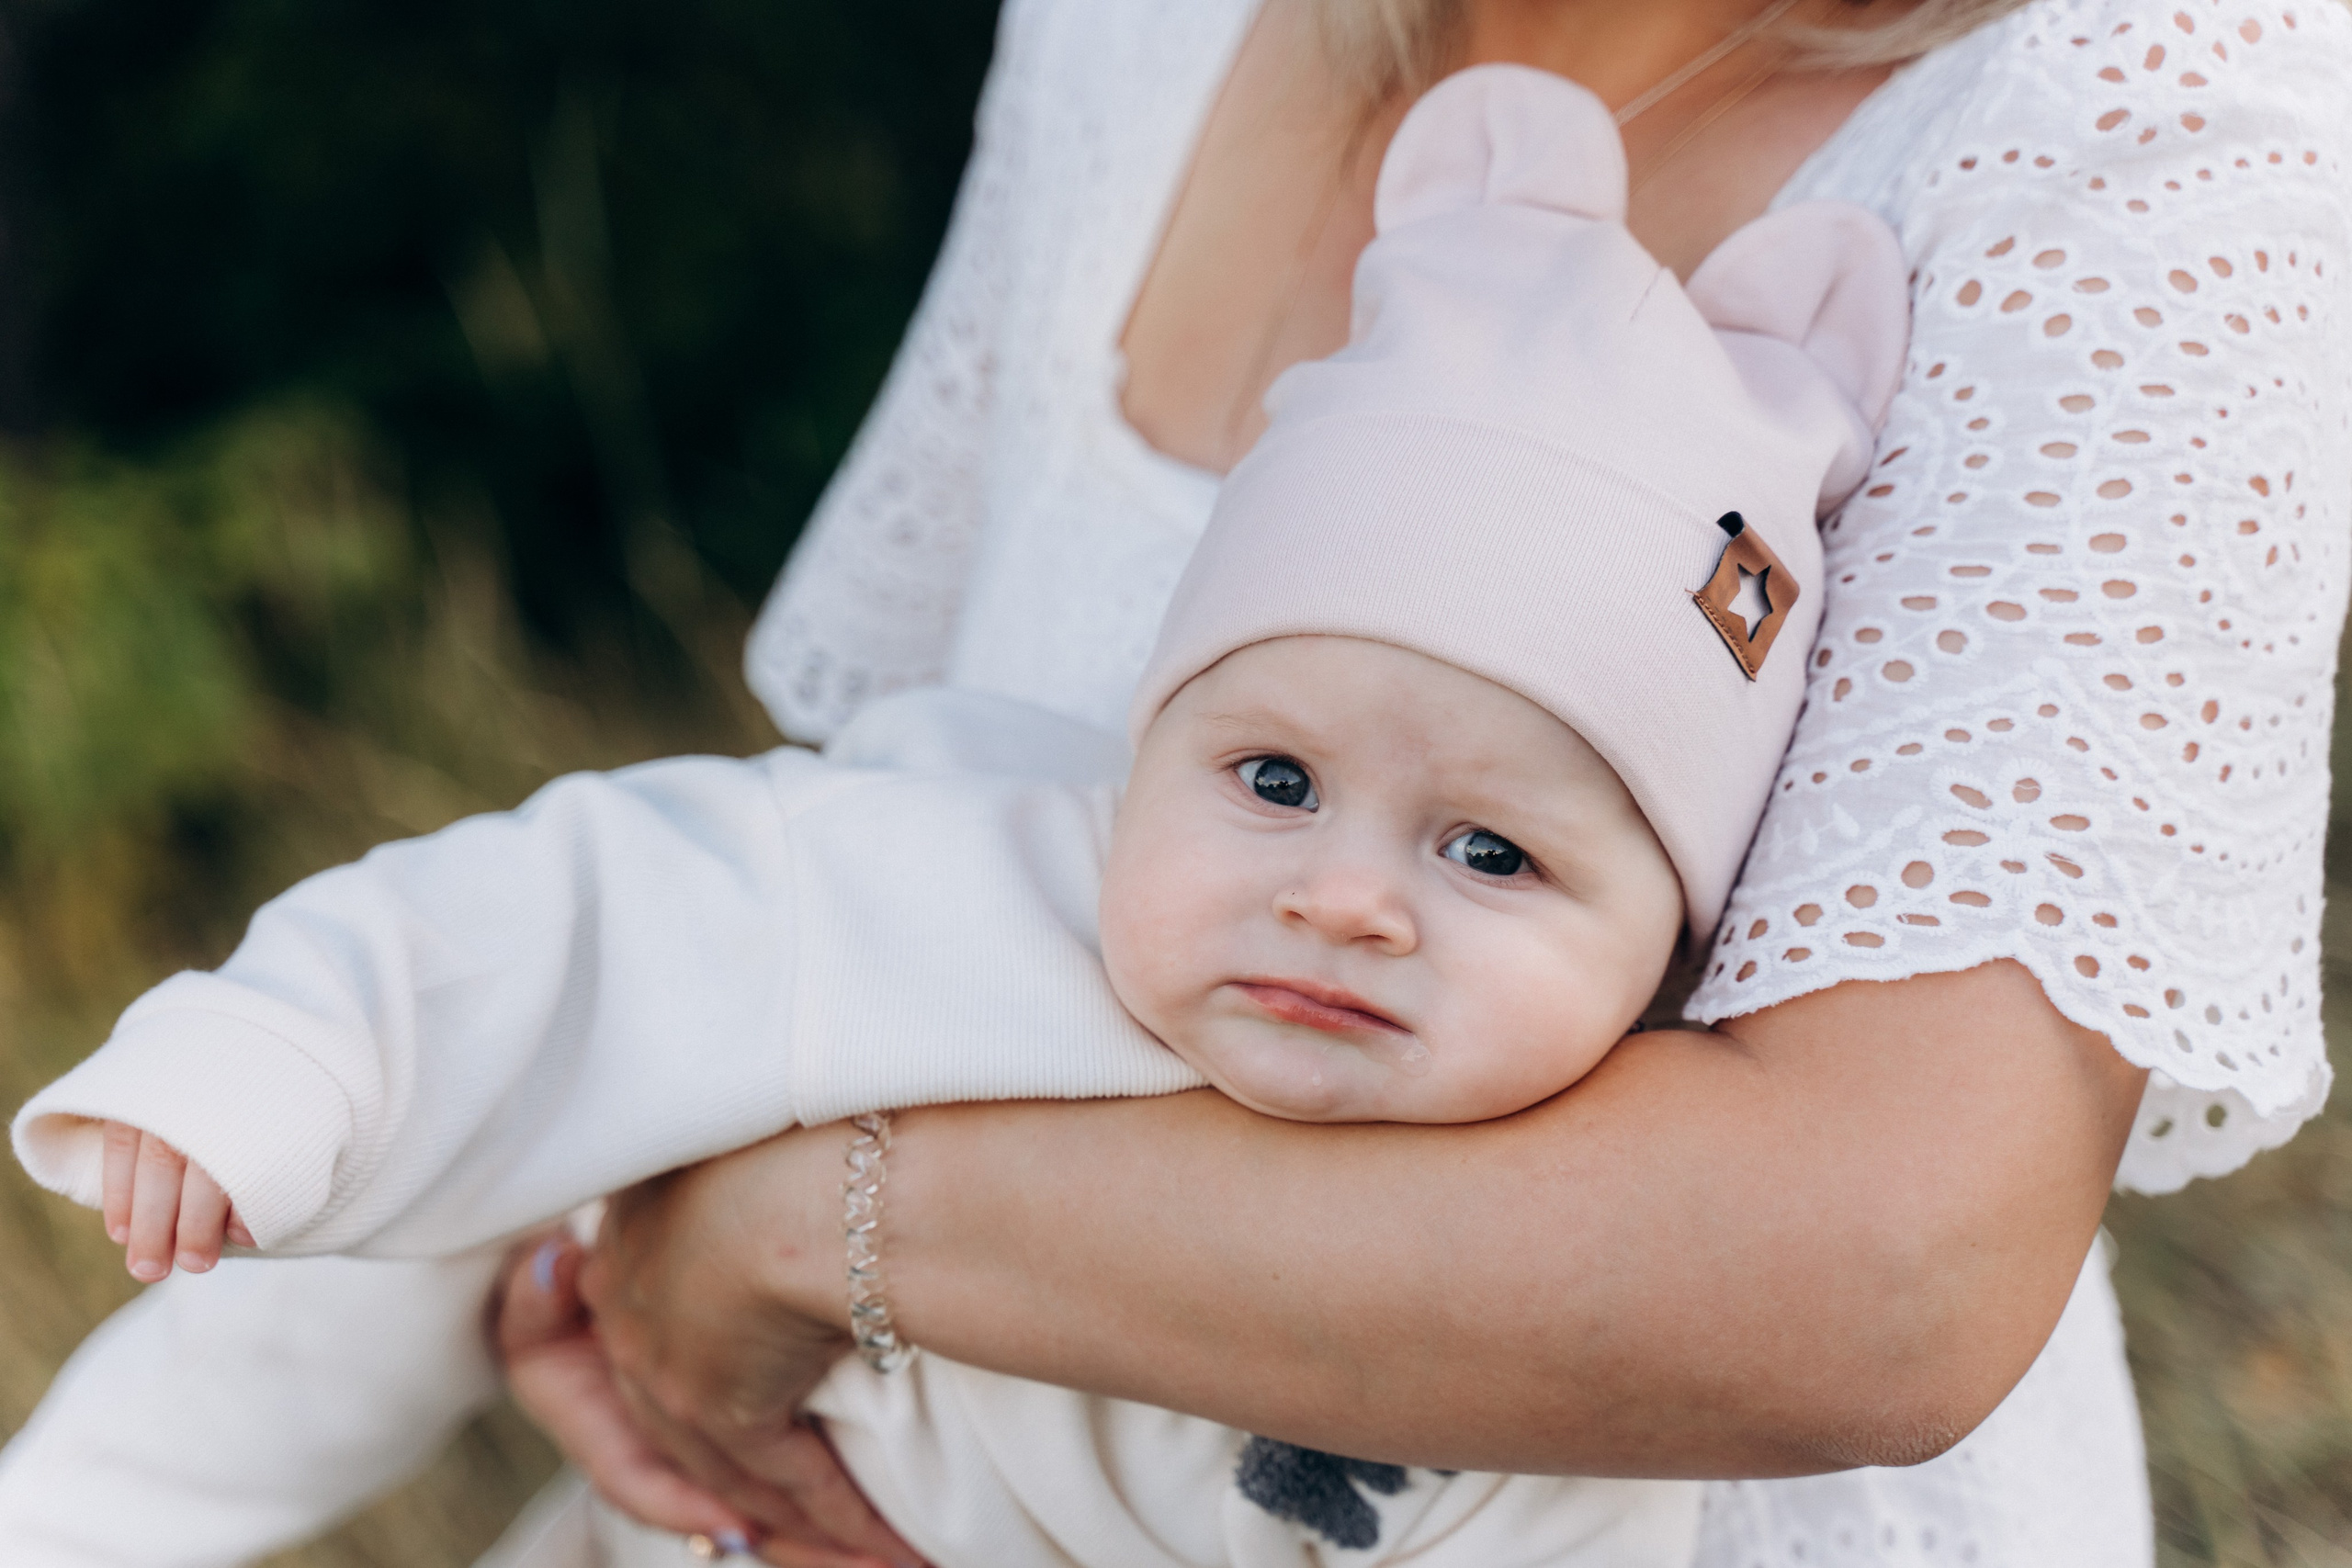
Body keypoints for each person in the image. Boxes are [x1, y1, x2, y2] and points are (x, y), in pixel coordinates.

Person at [469, 0, 2346, 1563]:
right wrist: (600, 1224)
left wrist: (800, 1224)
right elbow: (892, 817)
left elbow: (1884, 1261)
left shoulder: (2151, 117)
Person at [3, 66, 1908, 1568]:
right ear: (1156, 741)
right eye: (1269, 779)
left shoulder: (1569, 1253)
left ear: (1669, 942)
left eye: (1490, 852)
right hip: (696, 1495)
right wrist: (268, 1065)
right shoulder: (979, 879)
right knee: (407, 1200)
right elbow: (571, 914)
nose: (1343, 897)